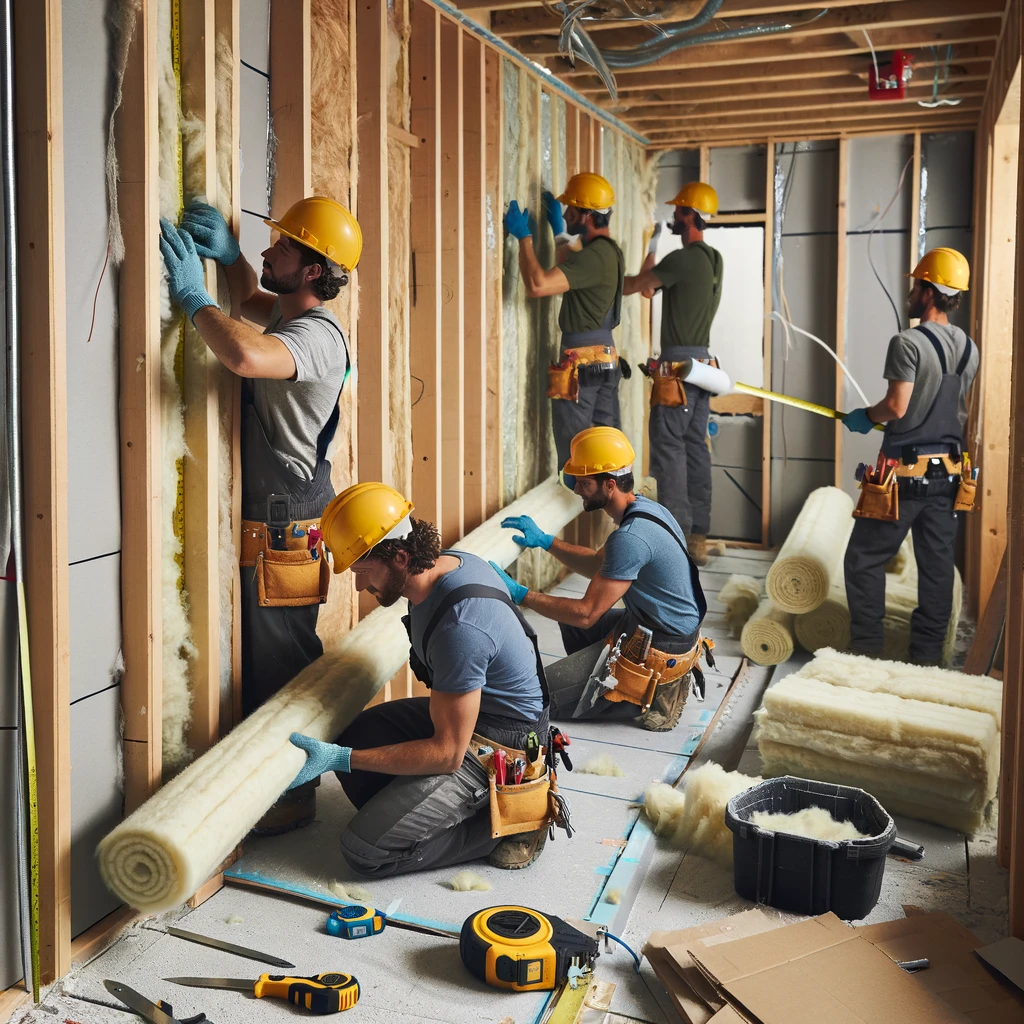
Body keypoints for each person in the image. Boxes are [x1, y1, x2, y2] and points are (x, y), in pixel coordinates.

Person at [159, 195, 360, 833]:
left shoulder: (320, 338)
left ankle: (289, 799)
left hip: (283, 529)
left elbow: (246, 354)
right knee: (265, 666)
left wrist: (194, 298)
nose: (267, 249)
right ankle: (277, 793)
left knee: (279, 672)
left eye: (281, 246)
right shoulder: (289, 313)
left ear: (310, 270)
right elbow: (256, 311)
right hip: (275, 520)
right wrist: (235, 263)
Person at [285, 483, 553, 876]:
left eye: (363, 572)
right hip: (473, 716)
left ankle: (513, 821)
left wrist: (342, 760)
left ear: (399, 556)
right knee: (356, 737)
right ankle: (421, 809)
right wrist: (351, 755)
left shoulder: (460, 627)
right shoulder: (442, 569)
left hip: (501, 741)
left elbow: (447, 755)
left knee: (363, 850)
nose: (360, 587)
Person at [490, 427, 712, 733]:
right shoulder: (648, 510)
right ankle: (611, 685)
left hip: (661, 646)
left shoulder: (631, 537)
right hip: (652, 626)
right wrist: (545, 541)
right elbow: (598, 563)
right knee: (567, 621)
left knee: (533, 697)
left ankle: (652, 691)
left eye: (583, 483)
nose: (577, 490)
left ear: (609, 485)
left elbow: (586, 614)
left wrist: (520, 594)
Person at [842, 247, 978, 666]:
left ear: (930, 291)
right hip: (951, 474)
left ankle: (866, 650)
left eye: (917, 283)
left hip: (903, 475)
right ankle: (926, 658)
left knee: (864, 559)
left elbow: (897, 407)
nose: (911, 290)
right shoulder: (970, 347)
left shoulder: (907, 343)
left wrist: (866, 417)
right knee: (937, 568)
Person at [622, 182, 723, 565]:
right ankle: (697, 535)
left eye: (679, 211)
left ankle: (677, 537)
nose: (674, 216)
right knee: (696, 447)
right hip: (703, 367)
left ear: (690, 216)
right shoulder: (714, 260)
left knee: (670, 449)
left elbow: (636, 286)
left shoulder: (683, 260)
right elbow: (653, 292)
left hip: (678, 369)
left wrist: (651, 248)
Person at [504, 173, 626, 472]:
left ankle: (576, 506)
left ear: (586, 215)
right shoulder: (609, 252)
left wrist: (525, 238)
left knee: (578, 458)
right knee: (604, 455)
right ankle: (601, 515)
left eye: (570, 210)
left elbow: (538, 285)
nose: (565, 213)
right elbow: (575, 266)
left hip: (581, 368)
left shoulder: (595, 256)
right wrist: (560, 232)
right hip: (604, 362)